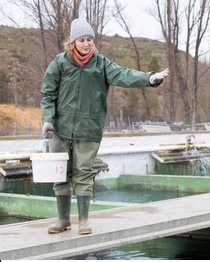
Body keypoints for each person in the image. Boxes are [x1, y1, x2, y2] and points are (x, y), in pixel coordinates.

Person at [40, 18, 169, 235]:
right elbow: (48, 94)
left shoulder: (101, 63)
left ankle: (83, 221)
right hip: (59, 130)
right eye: (82, 39)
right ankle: (63, 219)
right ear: (73, 42)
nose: (86, 43)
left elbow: (124, 74)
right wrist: (47, 119)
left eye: (90, 39)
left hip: (88, 129)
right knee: (59, 174)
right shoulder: (59, 63)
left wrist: (150, 78)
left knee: (83, 172)